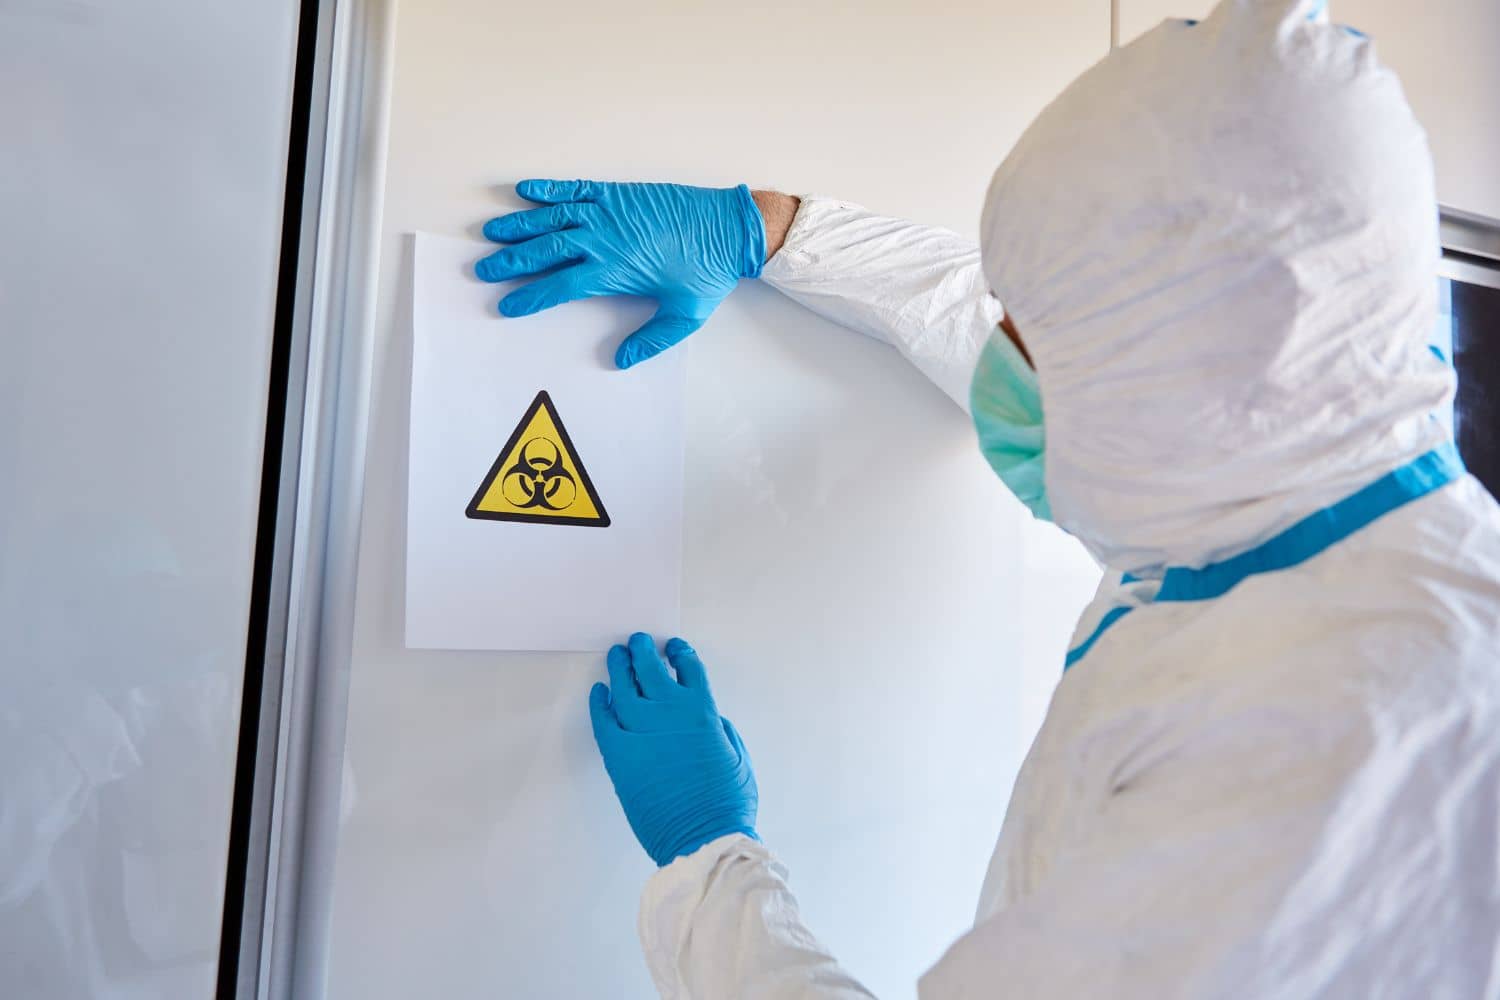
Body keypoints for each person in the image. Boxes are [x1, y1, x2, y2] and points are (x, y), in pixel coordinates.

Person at [474, 1, 1500, 995]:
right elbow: (1019, 328)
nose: (1002, 359)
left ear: (1167, 372)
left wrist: (711, 866)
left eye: (1034, 334)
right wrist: (772, 231)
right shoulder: (1295, 483)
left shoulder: (1336, 743)